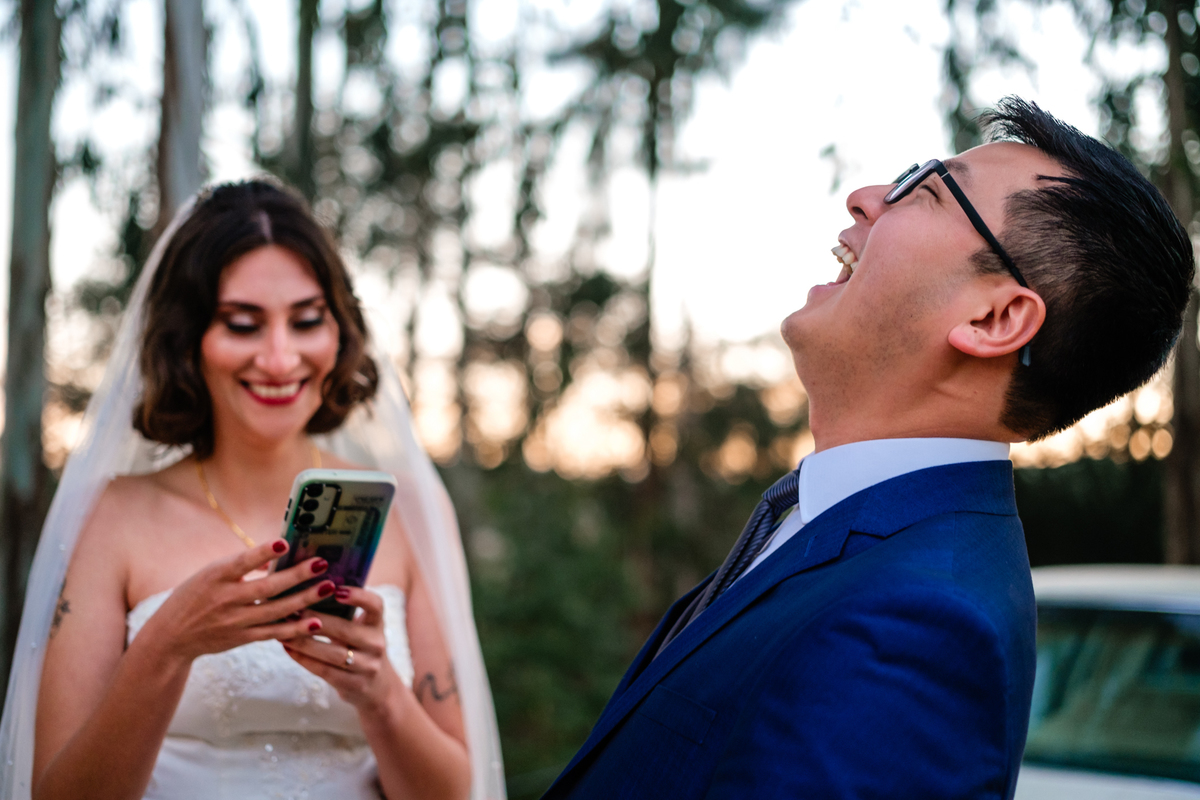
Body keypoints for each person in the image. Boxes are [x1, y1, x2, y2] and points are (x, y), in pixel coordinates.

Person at [542, 97, 1195, 799]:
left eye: (930, 191)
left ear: (994, 317)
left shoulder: (917, 628)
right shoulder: (851, 536)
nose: (865, 198)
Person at [0, 180, 505, 800]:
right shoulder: (113, 515)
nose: (279, 357)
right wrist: (168, 644)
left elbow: (456, 793)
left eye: (307, 320)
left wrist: (378, 692)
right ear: (188, 342)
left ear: (339, 332)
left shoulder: (409, 513)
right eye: (243, 324)